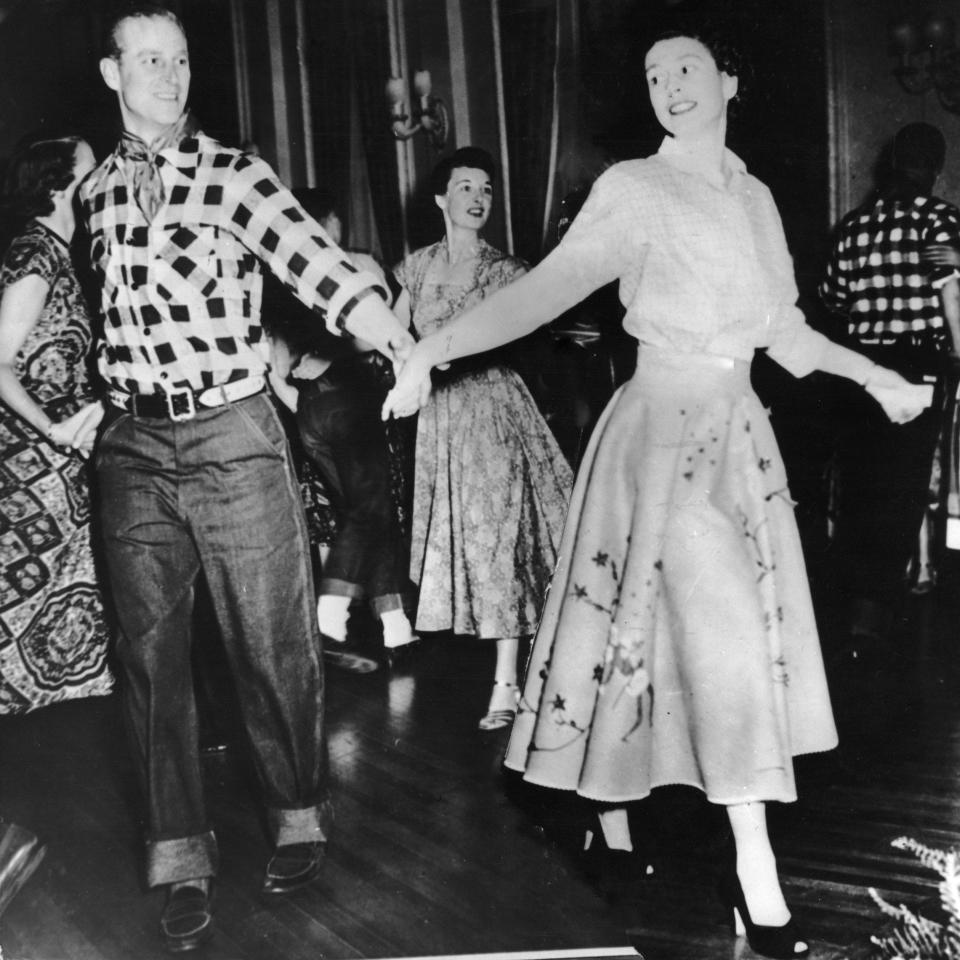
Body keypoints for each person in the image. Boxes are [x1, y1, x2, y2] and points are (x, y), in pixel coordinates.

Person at [383, 26, 932, 959]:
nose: (669, 85)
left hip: (737, 435)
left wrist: (873, 375)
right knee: (707, 641)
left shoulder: (754, 197)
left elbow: (785, 332)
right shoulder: (633, 189)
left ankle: (618, 822)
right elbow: (545, 291)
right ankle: (754, 872)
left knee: (651, 640)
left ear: (730, 77)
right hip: (662, 429)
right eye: (652, 74)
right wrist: (428, 352)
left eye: (687, 68)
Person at [77, 4, 414, 953]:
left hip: (232, 432)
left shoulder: (232, 174)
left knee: (270, 642)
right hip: (133, 447)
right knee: (148, 659)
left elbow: (316, 265)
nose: (169, 75)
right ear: (113, 74)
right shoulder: (95, 195)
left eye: (180, 59)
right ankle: (178, 852)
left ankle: (299, 810)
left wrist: (391, 336)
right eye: (149, 59)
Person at [391, 146, 573, 730]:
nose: (477, 197)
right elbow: (395, 337)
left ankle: (506, 684)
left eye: (486, 189)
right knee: (468, 548)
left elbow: (510, 335)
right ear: (442, 198)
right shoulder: (415, 268)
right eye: (466, 187)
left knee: (499, 546)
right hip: (439, 423)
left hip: (492, 411)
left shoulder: (506, 270)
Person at [819, 122, 960, 660]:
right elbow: (954, 298)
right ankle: (872, 615)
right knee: (902, 490)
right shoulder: (940, 219)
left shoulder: (853, 226)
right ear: (933, 168)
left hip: (861, 367)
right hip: (919, 365)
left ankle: (857, 609)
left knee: (860, 488)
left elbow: (831, 298)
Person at [264, 189, 417, 657]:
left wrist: (294, 397)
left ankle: (394, 626)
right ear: (329, 225)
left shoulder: (279, 276)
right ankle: (328, 616)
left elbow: (273, 357)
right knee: (371, 510)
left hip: (310, 406)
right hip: (352, 398)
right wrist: (401, 321)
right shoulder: (356, 265)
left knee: (368, 511)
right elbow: (370, 340)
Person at [0, 135, 112, 715]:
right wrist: (51, 428)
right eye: (93, 168)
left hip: (62, 457)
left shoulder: (64, 253)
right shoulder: (37, 254)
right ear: (59, 183)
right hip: (30, 461)